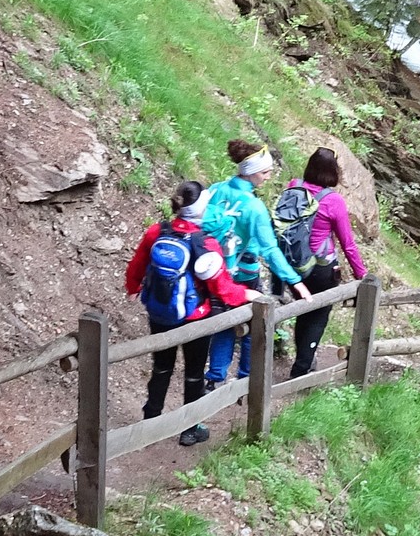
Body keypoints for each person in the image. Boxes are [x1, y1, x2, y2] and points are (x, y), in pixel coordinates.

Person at [123, 181, 245, 446]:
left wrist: (133, 287)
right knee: (193, 372)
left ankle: (150, 422)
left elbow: (137, 264)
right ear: (201, 208)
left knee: (161, 368)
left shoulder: (158, 231)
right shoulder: (205, 243)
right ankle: (190, 427)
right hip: (195, 317)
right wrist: (246, 295)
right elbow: (221, 287)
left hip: (160, 312)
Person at [195, 139, 305, 385]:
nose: (268, 177)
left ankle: (215, 378)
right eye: (265, 172)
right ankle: (247, 379)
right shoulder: (255, 208)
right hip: (245, 275)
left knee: (223, 323)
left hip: (216, 272)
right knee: (254, 323)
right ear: (252, 172)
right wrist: (295, 281)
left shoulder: (215, 190)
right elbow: (270, 250)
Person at [278, 147, 368, 375]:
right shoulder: (333, 200)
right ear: (332, 171)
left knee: (303, 310)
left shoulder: (294, 186)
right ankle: (301, 370)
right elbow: (347, 243)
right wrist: (361, 274)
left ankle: (304, 359)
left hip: (293, 264)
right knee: (317, 317)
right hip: (320, 269)